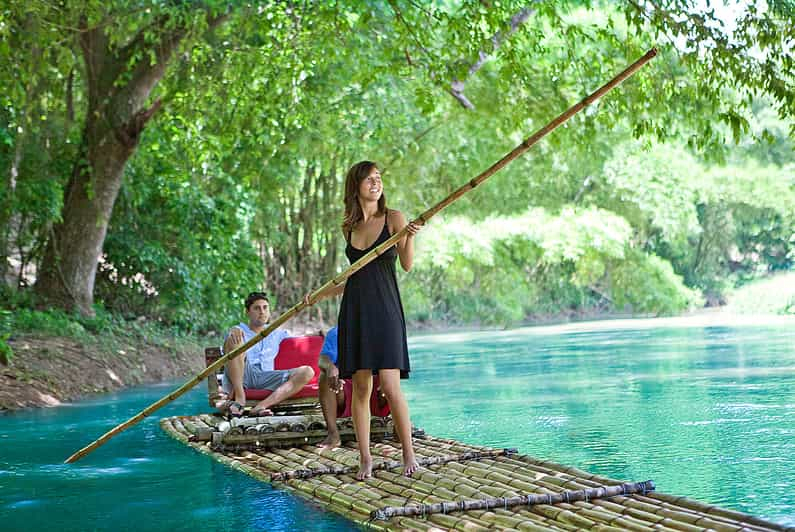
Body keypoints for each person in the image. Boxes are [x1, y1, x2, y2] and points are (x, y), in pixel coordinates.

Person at [312, 161, 422, 479]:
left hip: (386, 311)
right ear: (356, 185)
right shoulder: (349, 227)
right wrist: (317, 296)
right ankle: (365, 458)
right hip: (355, 311)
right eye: (369, 178)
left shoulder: (394, 218)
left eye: (379, 178)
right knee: (360, 386)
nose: (376, 183)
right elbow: (353, 279)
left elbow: (407, 264)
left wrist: (409, 236)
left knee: (389, 384)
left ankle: (408, 453)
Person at [221, 291, 314, 417]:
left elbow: (299, 338)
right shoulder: (239, 331)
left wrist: (318, 333)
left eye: (265, 308)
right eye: (257, 308)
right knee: (234, 340)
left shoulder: (276, 333)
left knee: (307, 371)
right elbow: (229, 347)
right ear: (247, 312)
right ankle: (240, 397)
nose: (262, 311)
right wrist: (233, 330)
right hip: (242, 374)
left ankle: (260, 407)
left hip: (266, 377)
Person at [316, 326, 346, 449]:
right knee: (324, 378)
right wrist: (330, 367)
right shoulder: (336, 332)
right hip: (346, 387)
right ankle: (333, 434)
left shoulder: (378, 328)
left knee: (389, 381)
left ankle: (401, 430)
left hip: (375, 386)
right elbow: (323, 359)